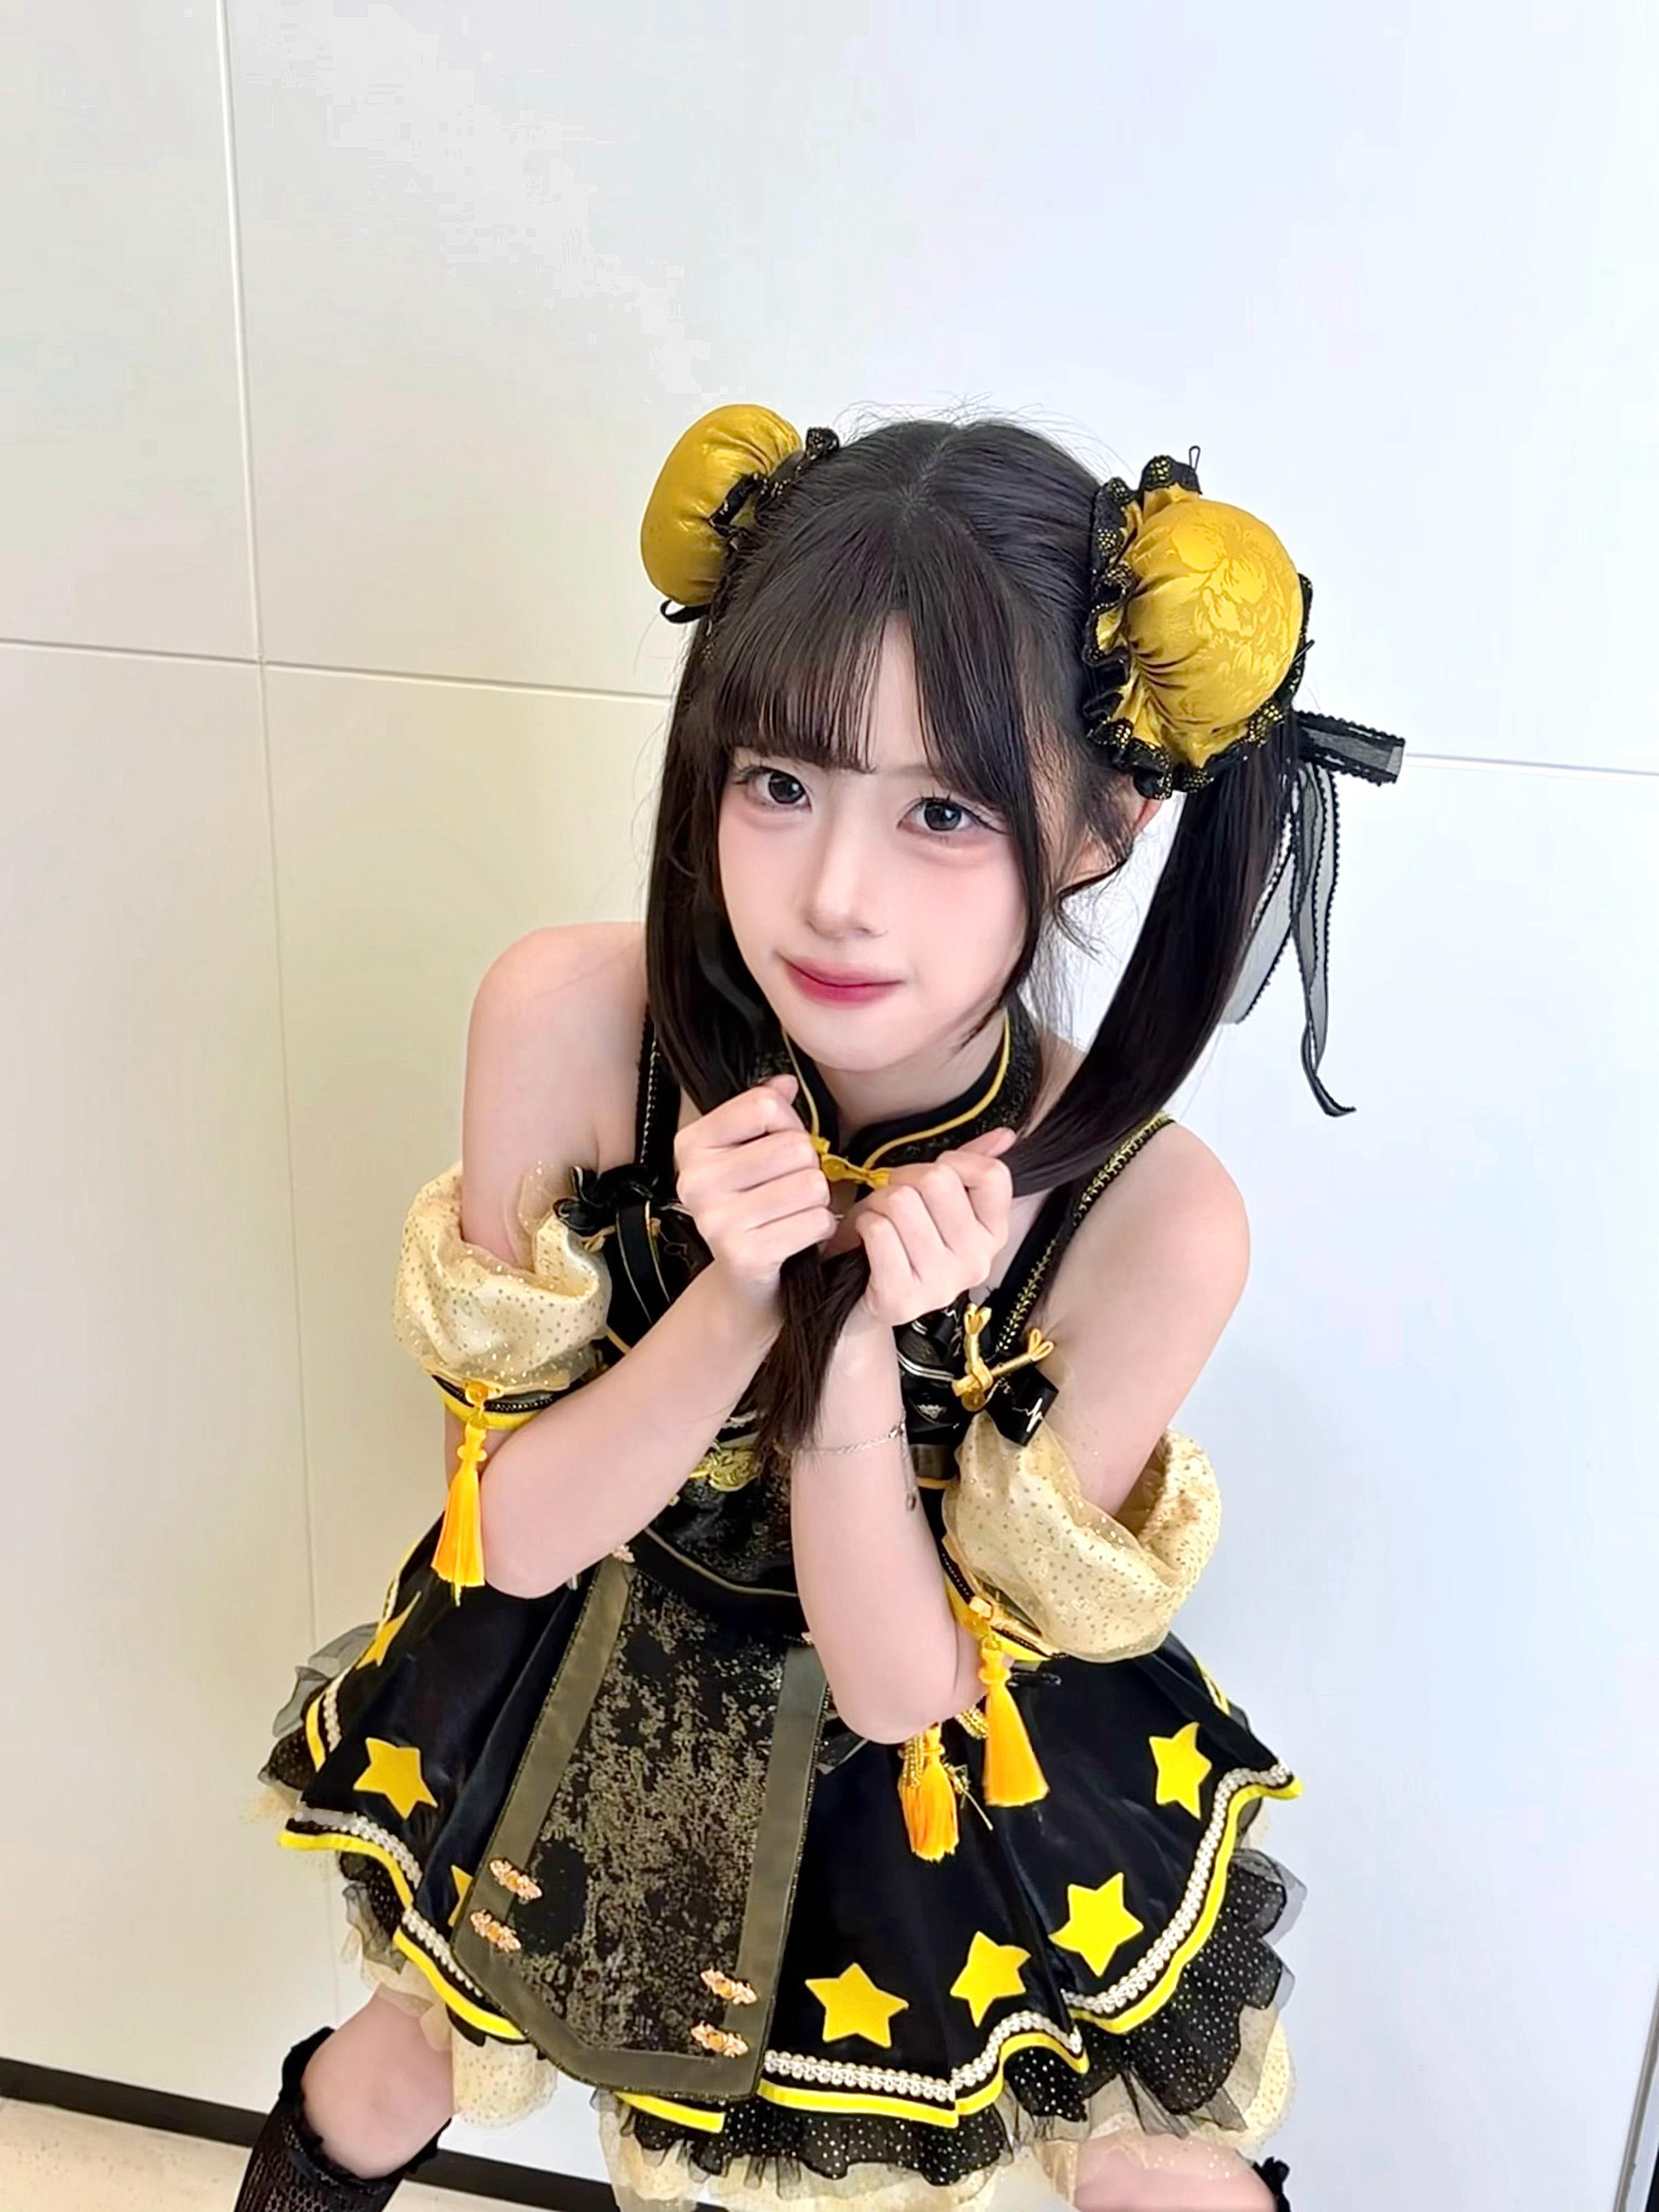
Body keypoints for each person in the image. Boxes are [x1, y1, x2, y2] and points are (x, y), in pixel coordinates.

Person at [236, 406, 1405, 2212]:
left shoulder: (1151, 1219)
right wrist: (736, 1295)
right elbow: (509, 1542)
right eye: (778, 782)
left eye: (942, 811)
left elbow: (907, 1688)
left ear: (1106, 823)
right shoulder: (575, 1024)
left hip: (921, 1758)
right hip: (597, 1663)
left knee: (1160, 2176)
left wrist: (848, 1349)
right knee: (398, 2067)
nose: (833, 897)